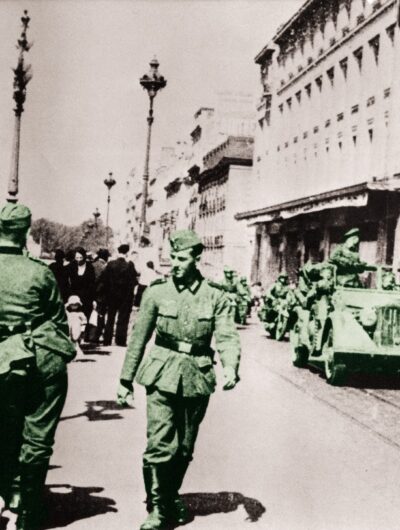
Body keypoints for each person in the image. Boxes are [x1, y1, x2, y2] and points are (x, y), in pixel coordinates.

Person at [117, 229, 241, 530]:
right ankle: (158, 509)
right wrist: (125, 380)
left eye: (182, 258)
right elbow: (138, 339)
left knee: (184, 448)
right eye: (172, 256)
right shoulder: (157, 292)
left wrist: (231, 367)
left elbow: (226, 336)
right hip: (160, 373)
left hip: (197, 375)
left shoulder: (216, 296)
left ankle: (168, 496)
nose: (175, 263)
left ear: (197, 258)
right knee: (161, 444)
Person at [0, 203, 75, 530]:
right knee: (37, 436)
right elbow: (59, 322)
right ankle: (27, 513)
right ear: (27, 232)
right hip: (37, 359)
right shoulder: (40, 272)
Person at [102, 244, 138, 346]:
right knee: (123, 318)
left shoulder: (110, 264)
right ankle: (120, 340)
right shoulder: (129, 265)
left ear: (118, 252)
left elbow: (105, 280)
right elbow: (134, 281)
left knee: (110, 317)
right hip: (125, 296)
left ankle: (107, 340)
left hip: (112, 295)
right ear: (127, 253)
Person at [67, 247, 96, 319]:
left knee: (85, 319)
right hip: (74, 298)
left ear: (84, 257)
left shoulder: (90, 267)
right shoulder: (72, 266)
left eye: (81, 257)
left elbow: (92, 284)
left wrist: (93, 300)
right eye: (77, 257)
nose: (79, 260)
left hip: (86, 298)